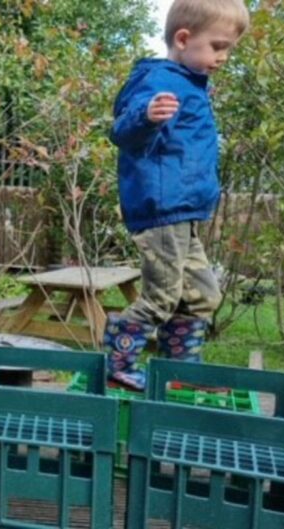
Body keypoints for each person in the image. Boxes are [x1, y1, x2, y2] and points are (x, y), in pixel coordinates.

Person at [105, 0, 250, 390]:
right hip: (161, 208)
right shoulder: (160, 81)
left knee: (203, 294)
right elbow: (122, 131)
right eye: (218, 46)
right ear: (183, 39)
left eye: (228, 49)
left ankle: (181, 373)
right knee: (161, 297)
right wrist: (146, 116)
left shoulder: (190, 84)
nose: (223, 57)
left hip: (183, 211)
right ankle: (117, 361)